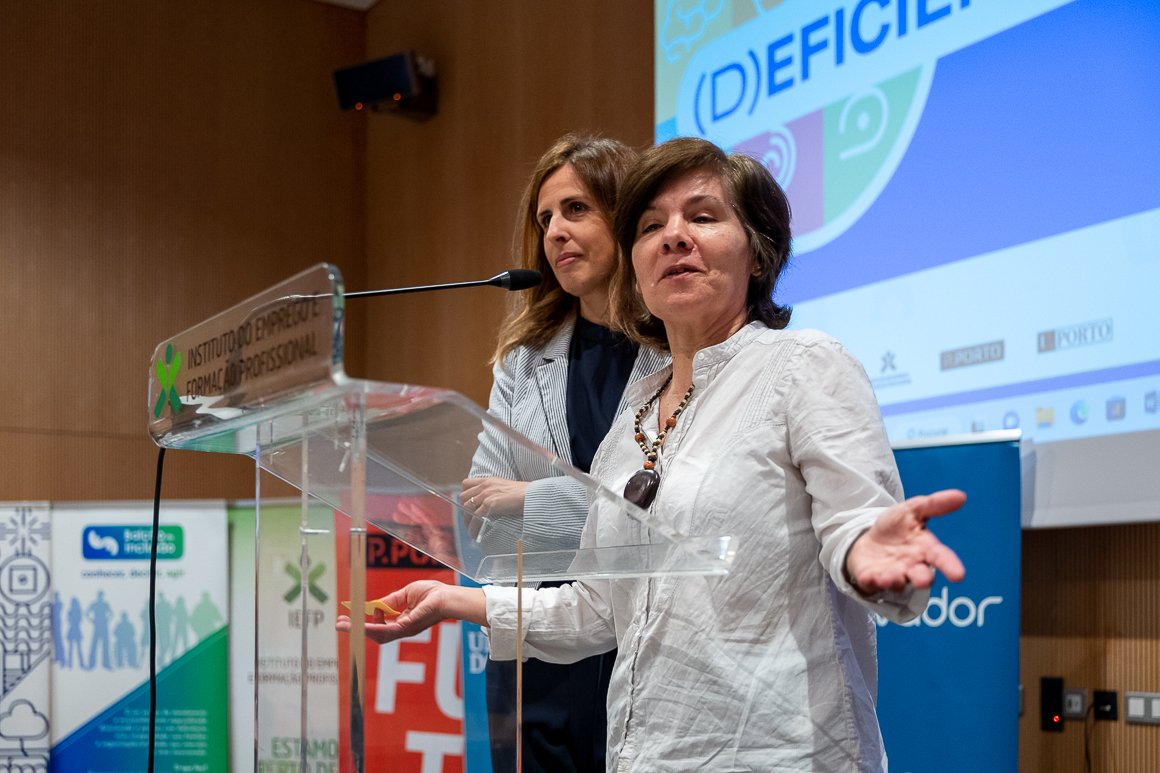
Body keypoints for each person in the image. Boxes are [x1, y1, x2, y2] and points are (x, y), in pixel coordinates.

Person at [340, 137, 967, 772]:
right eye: (650, 227)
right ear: (635, 266)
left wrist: (866, 552)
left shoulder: (802, 365)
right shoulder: (633, 418)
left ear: (758, 252)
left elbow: (854, 523)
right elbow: (596, 607)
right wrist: (451, 601)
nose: (673, 237)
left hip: (778, 754)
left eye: (703, 217)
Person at [458, 134, 668, 772]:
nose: (554, 232)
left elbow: (665, 520)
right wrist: (590, 512)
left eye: (576, 209)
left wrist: (533, 498)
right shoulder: (523, 361)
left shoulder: (680, 349)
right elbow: (484, 515)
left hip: (642, 640)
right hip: (535, 653)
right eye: (544, 218)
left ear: (625, 215)